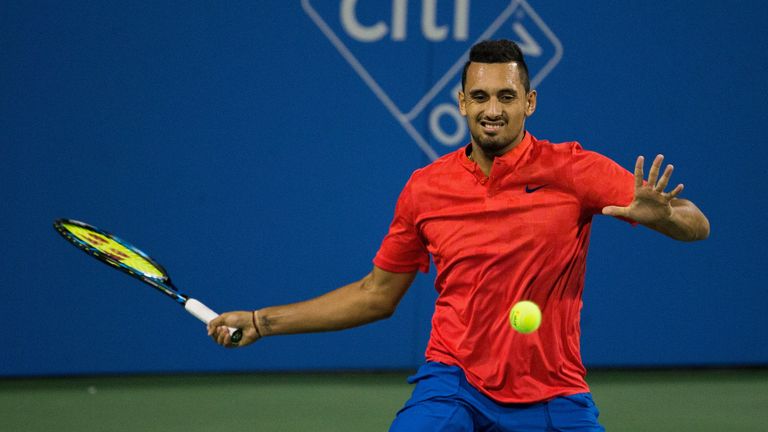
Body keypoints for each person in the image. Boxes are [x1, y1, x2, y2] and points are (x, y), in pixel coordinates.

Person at [208, 39, 710, 431]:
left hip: (554, 391)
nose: (493, 110)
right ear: (462, 103)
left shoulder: (575, 170)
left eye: (507, 97)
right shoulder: (426, 189)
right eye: (481, 96)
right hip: (455, 385)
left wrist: (661, 216)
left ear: (529, 102)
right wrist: (262, 321)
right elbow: (375, 296)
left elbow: (696, 223)